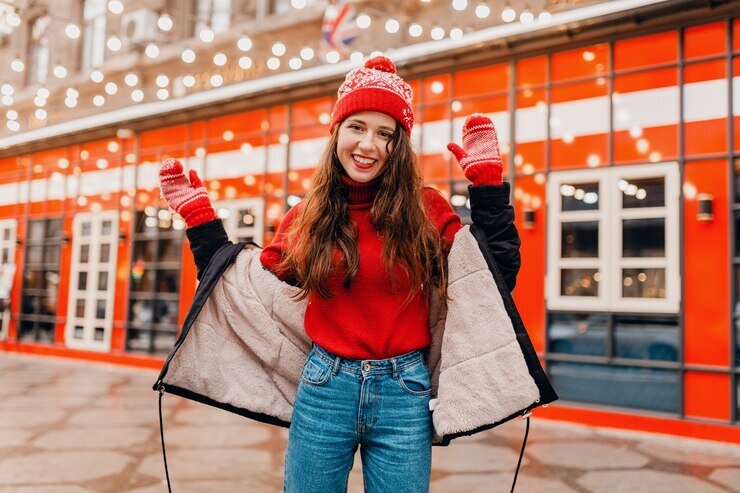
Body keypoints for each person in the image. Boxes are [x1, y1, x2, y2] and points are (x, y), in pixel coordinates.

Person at [156, 56, 556, 493]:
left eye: (385, 133)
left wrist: (488, 187)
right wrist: (199, 220)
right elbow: (239, 290)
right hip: (325, 386)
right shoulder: (306, 217)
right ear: (337, 133)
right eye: (357, 127)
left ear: (398, 146)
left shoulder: (426, 208)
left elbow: (492, 277)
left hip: (404, 391)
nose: (368, 144)